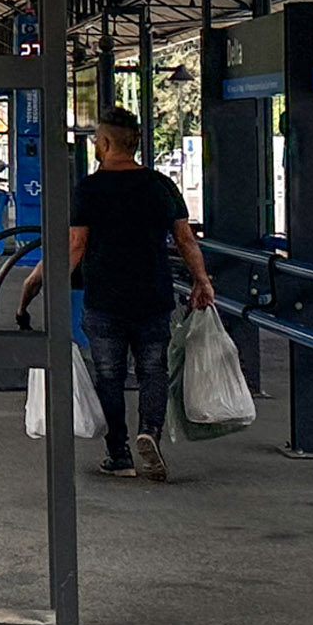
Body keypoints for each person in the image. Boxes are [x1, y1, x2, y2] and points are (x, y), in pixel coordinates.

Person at [71, 105, 214, 483]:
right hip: (152, 294)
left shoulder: (89, 187)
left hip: (104, 298)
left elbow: (76, 245)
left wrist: (50, 286)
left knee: (109, 376)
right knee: (153, 371)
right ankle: (149, 431)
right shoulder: (159, 184)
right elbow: (185, 239)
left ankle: (118, 454)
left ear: (103, 143)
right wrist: (202, 280)